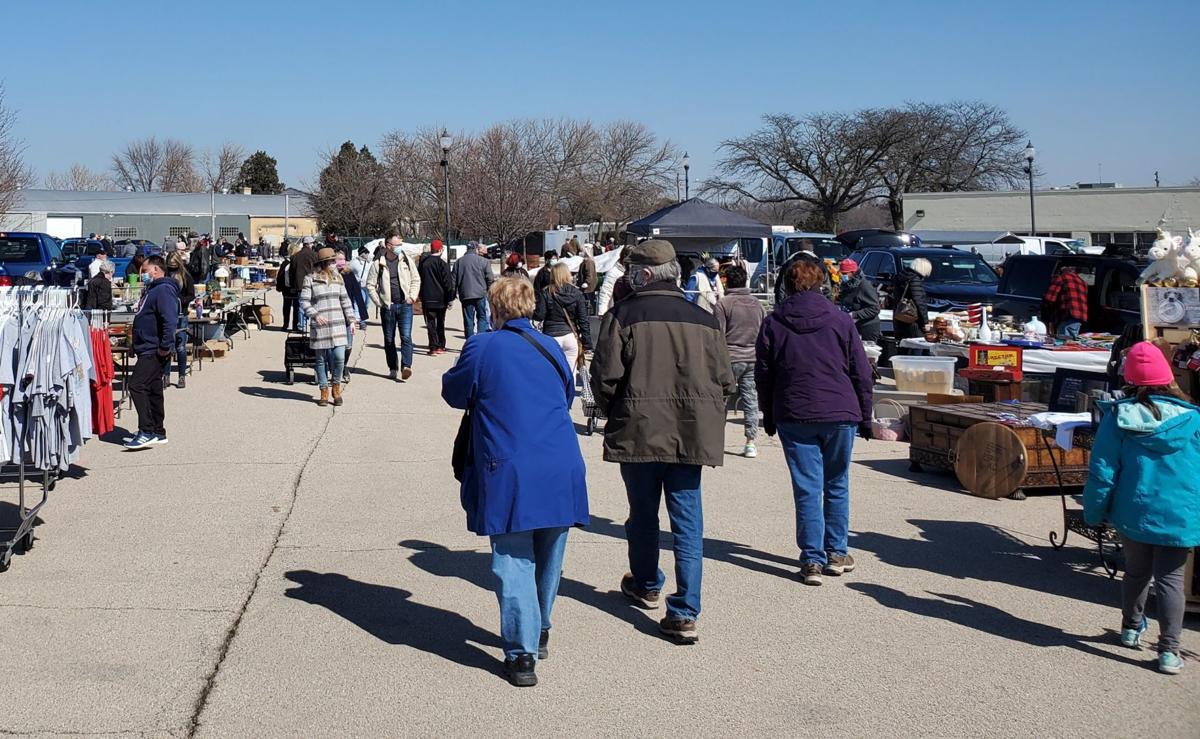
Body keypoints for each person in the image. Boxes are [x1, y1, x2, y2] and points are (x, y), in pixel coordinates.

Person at [442, 277, 589, 688]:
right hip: (560, 462)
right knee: (550, 554)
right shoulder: (552, 348)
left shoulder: (484, 346)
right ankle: (539, 628)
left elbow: (455, 392)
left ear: (497, 309)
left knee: (513, 558)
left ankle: (522, 651)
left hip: (508, 465)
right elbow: (565, 397)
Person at [590, 240, 735, 644]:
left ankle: (648, 582)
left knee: (642, 514)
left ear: (646, 274)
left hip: (639, 427)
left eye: (631, 270)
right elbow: (726, 380)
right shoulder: (704, 318)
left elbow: (603, 379)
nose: (627, 277)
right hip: (691, 429)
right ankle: (684, 607)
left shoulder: (623, 315)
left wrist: (612, 409)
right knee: (687, 521)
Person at [1083, 342, 1200, 675]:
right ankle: (1169, 652)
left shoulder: (1118, 417)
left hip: (1132, 512)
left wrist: (1093, 512)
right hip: (1180, 515)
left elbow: (1102, 472)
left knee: (1136, 572)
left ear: (1129, 378)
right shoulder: (1193, 419)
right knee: (1171, 582)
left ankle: (1131, 629)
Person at [756, 258, 873, 586]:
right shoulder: (840, 320)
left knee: (807, 486)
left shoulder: (774, 322)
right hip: (839, 410)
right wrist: (866, 415)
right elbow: (860, 372)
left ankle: (812, 559)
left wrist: (768, 413)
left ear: (788, 284)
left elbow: (763, 375)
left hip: (794, 411)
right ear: (822, 283)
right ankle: (836, 552)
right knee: (837, 482)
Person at [124, 256, 179, 450]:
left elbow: (170, 321)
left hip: (153, 348)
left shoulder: (163, 290)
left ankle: (146, 430)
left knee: (136, 385)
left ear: (155, 270)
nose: (142, 274)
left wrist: (165, 345)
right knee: (153, 388)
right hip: (145, 345)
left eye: (145, 270)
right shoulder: (151, 290)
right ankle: (158, 430)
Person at [715, 264, 765, 458]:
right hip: (752, 356)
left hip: (729, 356)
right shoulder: (757, 304)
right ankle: (750, 441)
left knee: (721, 399)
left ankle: (717, 439)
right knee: (750, 399)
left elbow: (717, 333)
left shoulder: (724, 304)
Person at [300, 248, 357, 407]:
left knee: (339, 357)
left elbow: (345, 300)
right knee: (321, 359)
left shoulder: (338, 277)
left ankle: (336, 387)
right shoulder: (310, 279)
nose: (335, 264)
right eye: (332, 261)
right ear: (324, 263)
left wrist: (351, 320)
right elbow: (304, 301)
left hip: (338, 323)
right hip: (320, 325)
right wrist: (315, 315)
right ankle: (324, 390)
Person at [367, 231, 421, 381]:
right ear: (388, 245)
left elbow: (416, 279)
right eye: (397, 245)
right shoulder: (379, 263)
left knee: (406, 337)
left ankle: (406, 366)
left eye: (400, 244)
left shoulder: (406, 260)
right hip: (388, 307)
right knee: (389, 339)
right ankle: (392, 367)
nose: (399, 247)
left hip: (405, 305)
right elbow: (370, 285)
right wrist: (380, 302)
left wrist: (412, 296)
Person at [534, 263, 591, 370]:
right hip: (570, 336)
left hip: (551, 336)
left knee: (553, 374)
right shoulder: (577, 293)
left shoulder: (546, 292)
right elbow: (583, 320)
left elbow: (539, 315)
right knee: (570, 374)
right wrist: (587, 343)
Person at [163, 251, 194, 389]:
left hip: (181, 314)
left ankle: (182, 375)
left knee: (180, 347)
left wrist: (180, 301)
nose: (172, 268)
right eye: (170, 266)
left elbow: (191, 294)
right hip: (167, 314)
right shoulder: (165, 274)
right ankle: (166, 375)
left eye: (174, 265)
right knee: (167, 346)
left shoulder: (185, 276)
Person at [418, 240, 455, 355]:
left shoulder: (424, 263)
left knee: (430, 323)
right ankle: (441, 345)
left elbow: (419, 280)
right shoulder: (442, 264)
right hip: (441, 298)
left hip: (428, 297)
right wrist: (450, 298)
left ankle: (433, 347)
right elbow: (448, 283)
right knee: (440, 322)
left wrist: (420, 295)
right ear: (440, 249)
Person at [453, 240, 495, 339]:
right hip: (480, 293)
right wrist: (489, 290)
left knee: (468, 319)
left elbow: (453, 280)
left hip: (465, 294)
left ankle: (470, 340)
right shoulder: (484, 261)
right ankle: (480, 338)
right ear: (476, 249)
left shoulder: (459, 262)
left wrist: (453, 294)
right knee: (482, 317)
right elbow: (490, 278)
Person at [836, 258, 881, 343]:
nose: (842, 276)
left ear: (853, 273)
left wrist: (854, 314)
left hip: (867, 328)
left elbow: (875, 308)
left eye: (844, 273)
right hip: (854, 326)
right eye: (841, 273)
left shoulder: (864, 286)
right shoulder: (847, 284)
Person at [1042, 264, 1088, 339]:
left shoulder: (1061, 278)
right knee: (1072, 338)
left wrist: (1045, 311)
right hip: (1080, 316)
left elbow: (1049, 298)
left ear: (1062, 270)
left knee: (1064, 340)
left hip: (1068, 314)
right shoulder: (1082, 281)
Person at [891, 257, 930, 344]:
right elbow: (919, 302)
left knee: (903, 346)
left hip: (900, 317)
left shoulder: (902, 277)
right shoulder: (914, 279)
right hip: (912, 320)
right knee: (916, 347)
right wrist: (925, 322)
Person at [289, 236, 319, 332]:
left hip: (299, 284)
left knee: (302, 305)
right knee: (313, 304)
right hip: (312, 283)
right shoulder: (315, 255)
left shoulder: (295, 256)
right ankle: (312, 324)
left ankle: (301, 325)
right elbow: (318, 270)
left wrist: (292, 285)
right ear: (309, 244)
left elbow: (291, 272)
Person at [338, 256, 368, 332]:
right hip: (336, 311)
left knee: (348, 338)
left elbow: (357, 294)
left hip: (348, 310)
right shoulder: (331, 275)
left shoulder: (349, 273)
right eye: (340, 259)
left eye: (343, 259)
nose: (342, 261)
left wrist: (359, 315)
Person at [276, 243, 299, 331]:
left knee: (287, 307)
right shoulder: (293, 262)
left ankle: (286, 325)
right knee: (295, 308)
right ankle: (294, 325)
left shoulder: (285, 263)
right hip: (293, 288)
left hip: (286, 288)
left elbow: (280, 275)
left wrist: (279, 287)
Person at [350, 246, 373, 318]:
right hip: (359, 285)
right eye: (366, 253)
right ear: (361, 253)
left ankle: (363, 315)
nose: (367, 255)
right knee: (359, 302)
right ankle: (360, 319)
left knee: (367, 303)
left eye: (367, 253)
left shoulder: (370, 262)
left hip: (368, 286)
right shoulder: (354, 262)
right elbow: (349, 271)